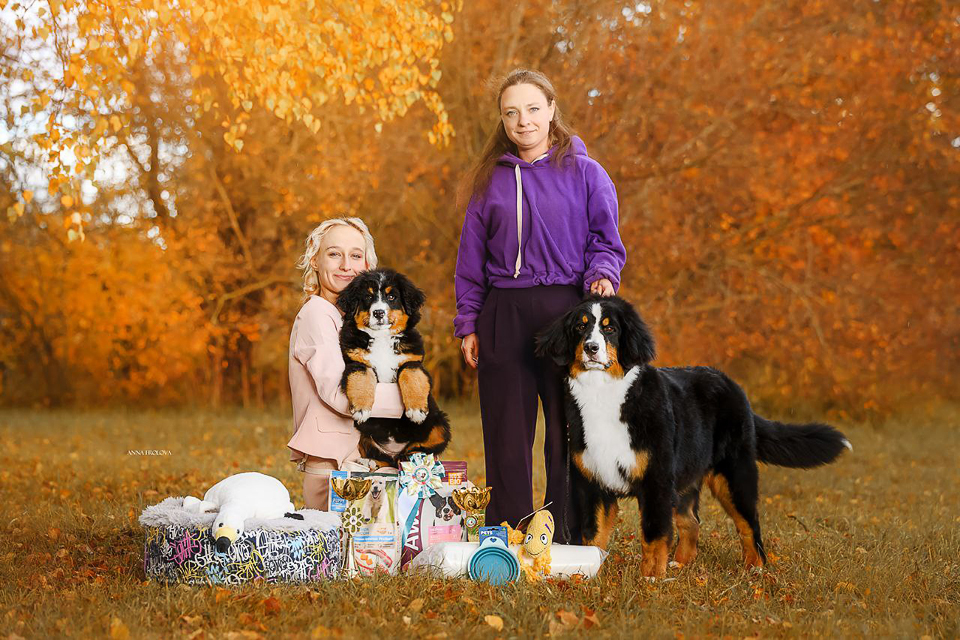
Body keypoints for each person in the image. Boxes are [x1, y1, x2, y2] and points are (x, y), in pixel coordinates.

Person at [454, 69, 626, 543]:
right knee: (506, 434)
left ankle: (566, 534)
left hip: (566, 311)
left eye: (532, 109)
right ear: (502, 119)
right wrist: (468, 321)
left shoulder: (586, 173)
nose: (523, 121)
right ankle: (507, 534)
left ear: (551, 108)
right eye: (511, 112)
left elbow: (605, 240)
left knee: (568, 430)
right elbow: (470, 260)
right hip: (502, 313)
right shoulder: (488, 181)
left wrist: (602, 273)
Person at [287, 217, 404, 509]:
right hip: (334, 465)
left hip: (366, 456)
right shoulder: (317, 313)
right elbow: (342, 395)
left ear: (367, 265)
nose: (345, 266)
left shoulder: (357, 320)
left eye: (355, 256)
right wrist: (411, 397)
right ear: (315, 261)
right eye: (334, 254)